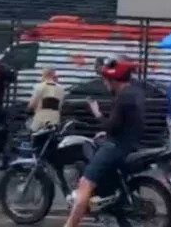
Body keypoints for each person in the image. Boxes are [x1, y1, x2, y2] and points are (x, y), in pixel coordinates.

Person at [64, 60, 144, 227]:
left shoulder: (122, 98)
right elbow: (124, 124)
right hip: (128, 144)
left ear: (114, 80)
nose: (104, 83)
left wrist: (96, 112)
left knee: (84, 184)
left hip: (115, 148)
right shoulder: (134, 93)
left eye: (106, 80)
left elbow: (109, 124)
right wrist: (106, 133)